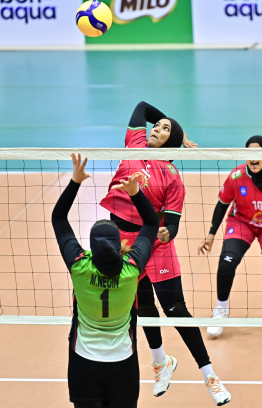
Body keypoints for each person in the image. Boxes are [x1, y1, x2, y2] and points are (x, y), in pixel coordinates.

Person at [100, 101, 231, 406]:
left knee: (175, 309)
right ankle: (162, 364)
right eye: (157, 126)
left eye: (164, 129)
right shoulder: (136, 143)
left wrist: (166, 232)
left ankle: (209, 375)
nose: (156, 128)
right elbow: (142, 108)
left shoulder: (172, 177)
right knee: (143, 305)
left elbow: (172, 222)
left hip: (154, 243)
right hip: (123, 241)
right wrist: (172, 124)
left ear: (171, 141)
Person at [52, 153, 160, 408]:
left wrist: (75, 181)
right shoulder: (131, 270)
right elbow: (151, 224)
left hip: (83, 363)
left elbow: (58, 219)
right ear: (119, 245)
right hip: (122, 363)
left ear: (91, 248)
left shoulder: (79, 266)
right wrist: (135, 193)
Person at [198, 135, 262, 337]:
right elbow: (222, 204)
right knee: (226, 263)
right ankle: (221, 310)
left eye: (258, 153)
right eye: (249, 154)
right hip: (242, 222)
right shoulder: (236, 176)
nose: (253, 159)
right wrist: (211, 234)